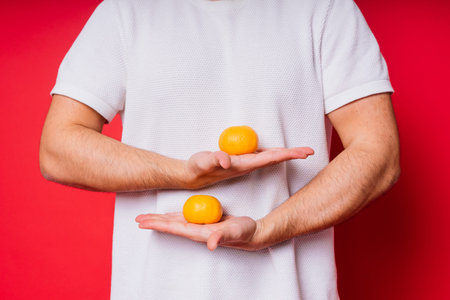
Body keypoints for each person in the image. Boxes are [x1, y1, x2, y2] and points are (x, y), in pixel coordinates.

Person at [39, 0, 400, 299]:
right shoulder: (124, 12)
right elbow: (58, 148)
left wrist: (268, 229)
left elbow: (378, 154)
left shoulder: (327, 10)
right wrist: (182, 174)